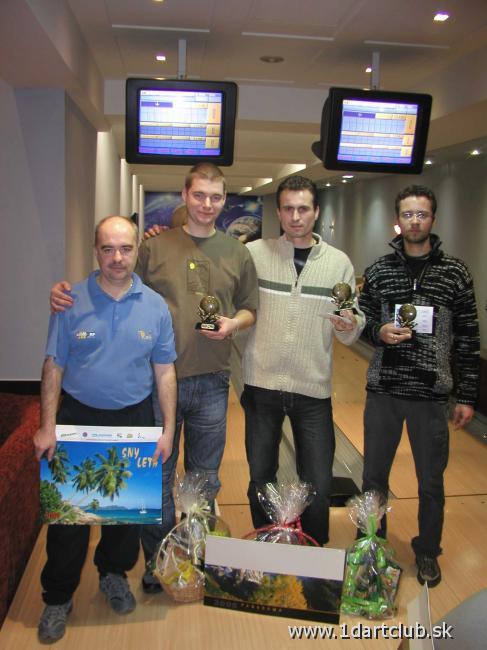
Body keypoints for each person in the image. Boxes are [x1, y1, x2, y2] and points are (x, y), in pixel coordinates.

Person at [50, 163, 259, 593]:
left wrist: (233, 324)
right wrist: (66, 295)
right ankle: (158, 563)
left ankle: (195, 560)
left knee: (204, 480)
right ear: (185, 195)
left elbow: (250, 307)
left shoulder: (238, 253)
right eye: (199, 195)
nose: (207, 204)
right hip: (156, 382)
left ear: (224, 199)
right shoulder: (153, 247)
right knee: (155, 480)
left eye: (215, 197)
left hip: (213, 381)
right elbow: (116, 285)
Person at [34, 216, 177, 642]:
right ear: (95, 251)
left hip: (134, 421)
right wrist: (47, 426)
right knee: (68, 520)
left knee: (125, 517)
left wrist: (168, 430)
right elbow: (53, 365)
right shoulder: (69, 301)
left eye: (125, 248)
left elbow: (165, 372)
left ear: (137, 250)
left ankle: (113, 575)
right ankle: (57, 596)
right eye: (108, 249)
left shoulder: (155, 306)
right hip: (77, 418)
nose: (117, 258)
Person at [358, 184, 480, 587]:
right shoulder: (380, 270)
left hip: (430, 394)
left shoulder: (455, 272)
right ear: (398, 221)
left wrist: (466, 394)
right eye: (408, 214)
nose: (414, 221)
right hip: (385, 390)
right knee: (373, 478)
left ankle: (427, 550)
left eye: (421, 215)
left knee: (431, 483)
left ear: (433, 219)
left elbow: (468, 336)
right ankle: (370, 545)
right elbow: (361, 322)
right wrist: (378, 331)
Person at [241, 175, 365, 545]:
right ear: (278, 212)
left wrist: (350, 324)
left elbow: (350, 327)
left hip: (313, 389)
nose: (296, 217)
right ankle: (267, 543)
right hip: (261, 384)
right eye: (288, 209)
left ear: (316, 212)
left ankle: (313, 548)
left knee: (319, 482)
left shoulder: (339, 263)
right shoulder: (256, 253)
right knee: (260, 476)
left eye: (303, 209)